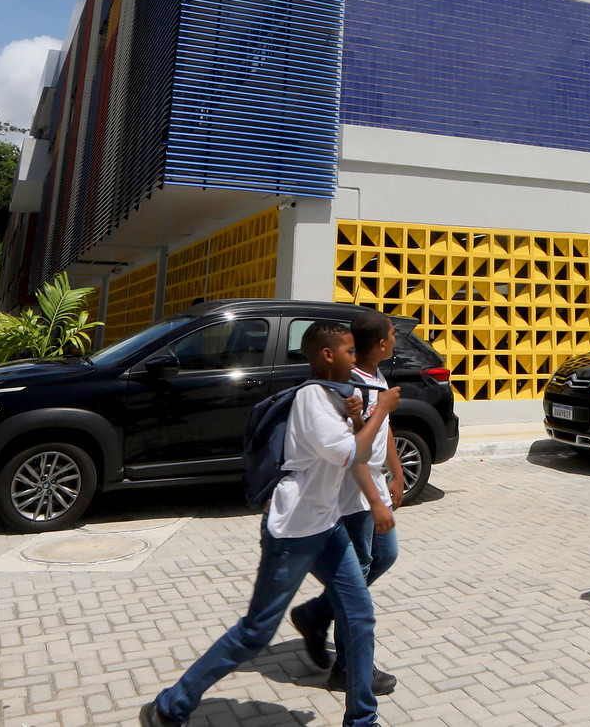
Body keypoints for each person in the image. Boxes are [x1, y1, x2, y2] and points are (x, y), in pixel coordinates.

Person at [144, 322, 391, 727]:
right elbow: (349, 455)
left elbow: (351, 449)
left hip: (327, 525)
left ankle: (362, 719)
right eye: (348, 351)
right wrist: (381, 411)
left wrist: (359, 415)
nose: (354, 358)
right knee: (257, 631)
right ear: (327, 355)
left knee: (360, 616)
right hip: (294, 531)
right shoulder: (312, 397)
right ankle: (171, 704)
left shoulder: (334, 396)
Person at [292, 310, 401, 697]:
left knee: (384, 555)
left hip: (373, 487)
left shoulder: (376, 377)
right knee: (357, 578)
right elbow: (351, 448)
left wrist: (396, 472)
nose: (396, 339)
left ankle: (316, 613)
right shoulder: (349, 385)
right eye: (393, 334)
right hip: (352, 495)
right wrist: (374, 499)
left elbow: (383, 431)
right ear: (382, 343)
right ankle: (348, 668)